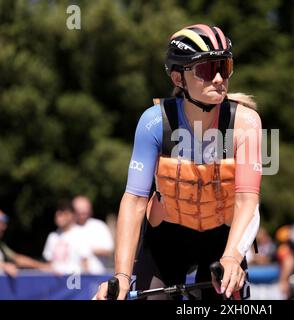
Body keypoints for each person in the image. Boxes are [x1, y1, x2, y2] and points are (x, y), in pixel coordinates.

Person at [95, 24, 262, 300]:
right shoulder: (153, 122)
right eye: (207, 70)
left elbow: (248, 201)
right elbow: (135, 201)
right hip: (167, 239)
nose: (219, 78)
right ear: (178, 78)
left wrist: (232, 256)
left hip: (222, 239)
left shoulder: (245, 123)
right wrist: (122, 276)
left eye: (225, 66)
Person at [43, 199, 92, 275]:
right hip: (56, 282)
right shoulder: (52, 236)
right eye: (58, 214)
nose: (59, 217)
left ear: (71, 215)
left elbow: (85, 262)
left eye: (63, 214)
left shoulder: (80, 235)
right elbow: (49, 263)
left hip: (75, 281)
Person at [0, 210, 51, 276]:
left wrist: (41, 266)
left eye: (4, 223)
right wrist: (4, 266)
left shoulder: (2, 246)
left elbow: (17, 258)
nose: (4, 227)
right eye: (1, 223)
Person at [72, 196, 114, 274]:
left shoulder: (99, 226)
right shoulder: (69, 229)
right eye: (79, 209)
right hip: (71, 278)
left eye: (84, 208)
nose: (82, 212)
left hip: (96, 277)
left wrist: (89, 250)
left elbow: (109, 250)